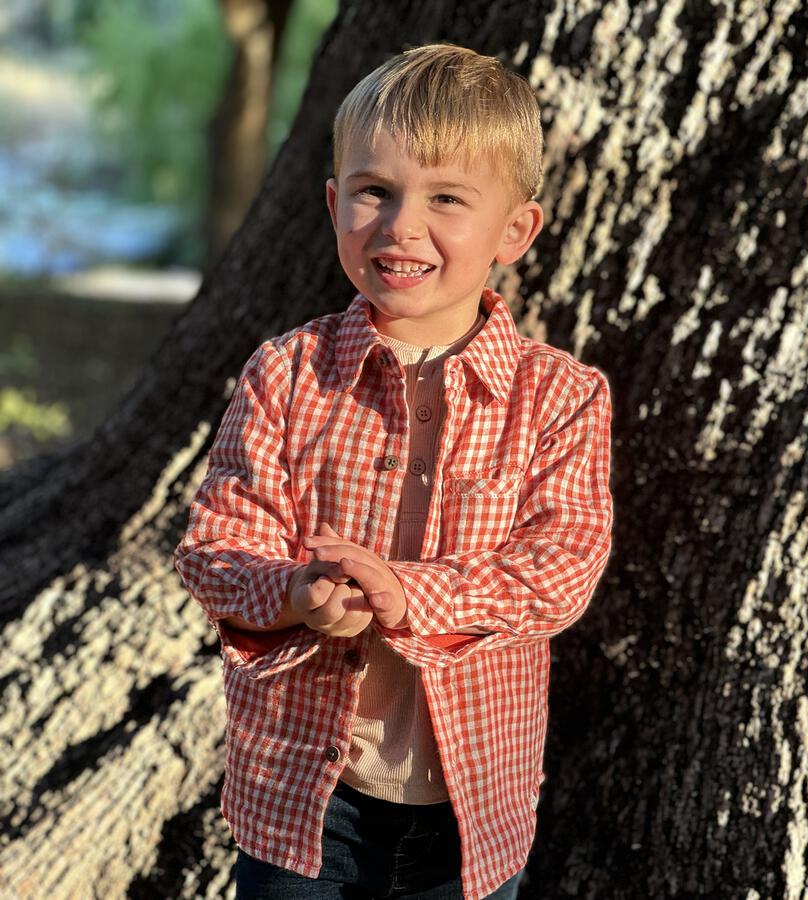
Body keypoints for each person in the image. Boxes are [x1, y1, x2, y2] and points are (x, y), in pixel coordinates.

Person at [174, 43, 613, 900]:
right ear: (336, 204)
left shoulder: (559, 397)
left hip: (472, 801)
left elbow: (560, 569)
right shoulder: (288, 373)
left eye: (447, 198)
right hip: (303, 791)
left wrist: (409, 596)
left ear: (515, 232)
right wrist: (296, 592)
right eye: (374, 191)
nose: (402, 225)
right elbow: (217, 542)